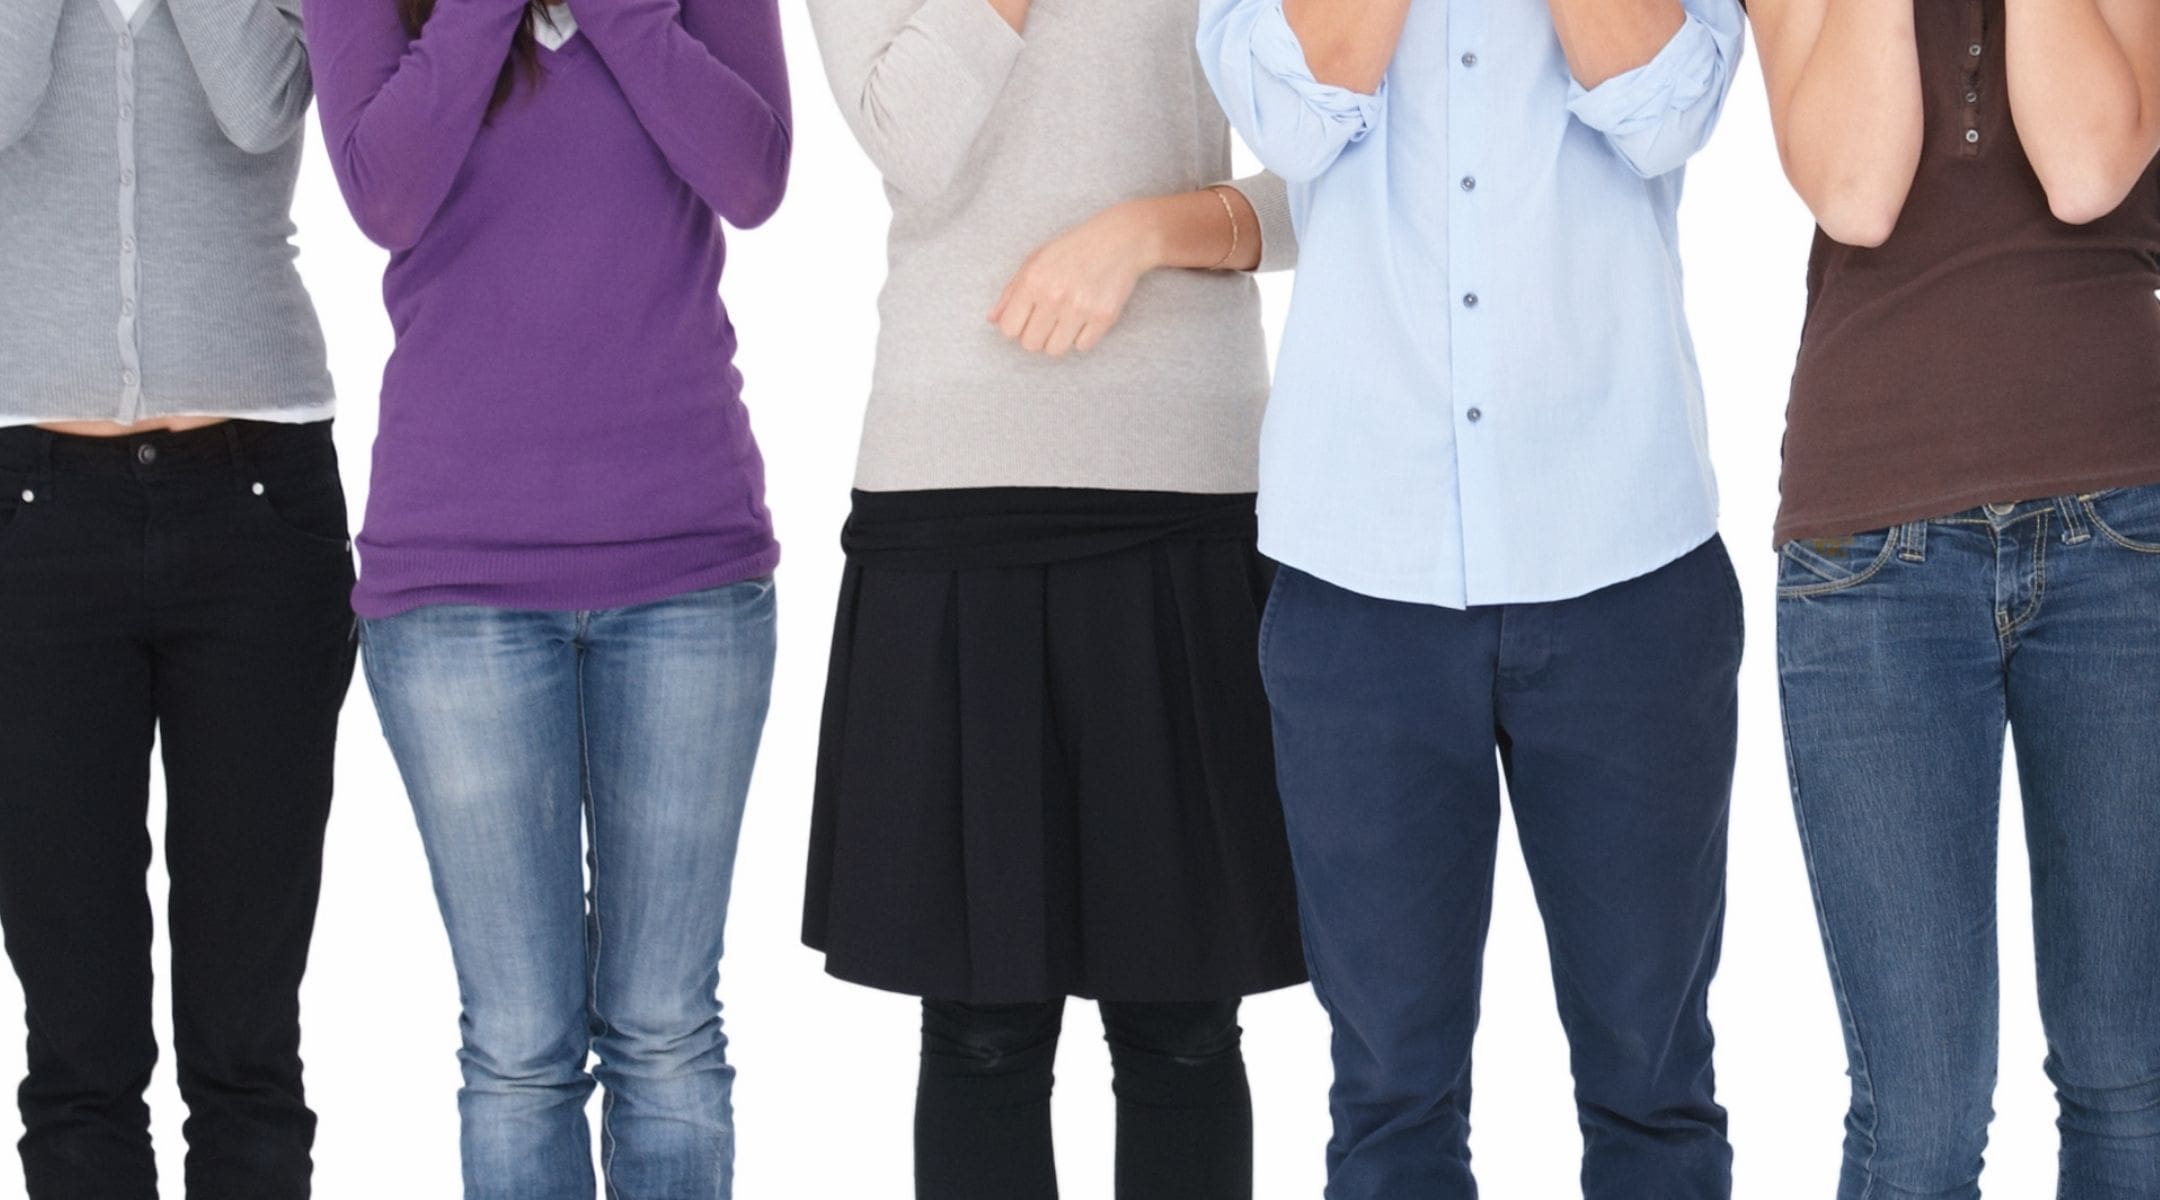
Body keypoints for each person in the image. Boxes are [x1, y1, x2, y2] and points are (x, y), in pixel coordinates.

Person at [1199, 1, 1747, 1196]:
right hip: (1361, 576)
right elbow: (1297, 115)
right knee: (1392, 1098)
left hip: (1624, 555)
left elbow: (1667, 113)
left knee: (1653, 1087)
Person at [799, 0, 1306, 1195]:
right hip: (952, 488)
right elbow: (913, 139)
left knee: (1182, 1027)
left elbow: (1354, 165)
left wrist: (1146, 231)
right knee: (983, 1032)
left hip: (1186, 482)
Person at [304, 0, 790, 1195]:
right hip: (456, 577)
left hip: (688, 562)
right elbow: (386, 197)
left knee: (668, 1033)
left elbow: (754, 173)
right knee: (518, 1047)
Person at [1746, 0, 2160, 1195]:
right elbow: (1856, 191)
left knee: (2129, 1079)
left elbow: (2088, 166)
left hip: (2120, 534)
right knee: (1920, 1111)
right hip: (1873, 559)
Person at [0, 0, 354, 1196]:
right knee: (77, 1044)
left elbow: (263, 109)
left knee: (247, 1038)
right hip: (31, 506)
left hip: (255, 494)